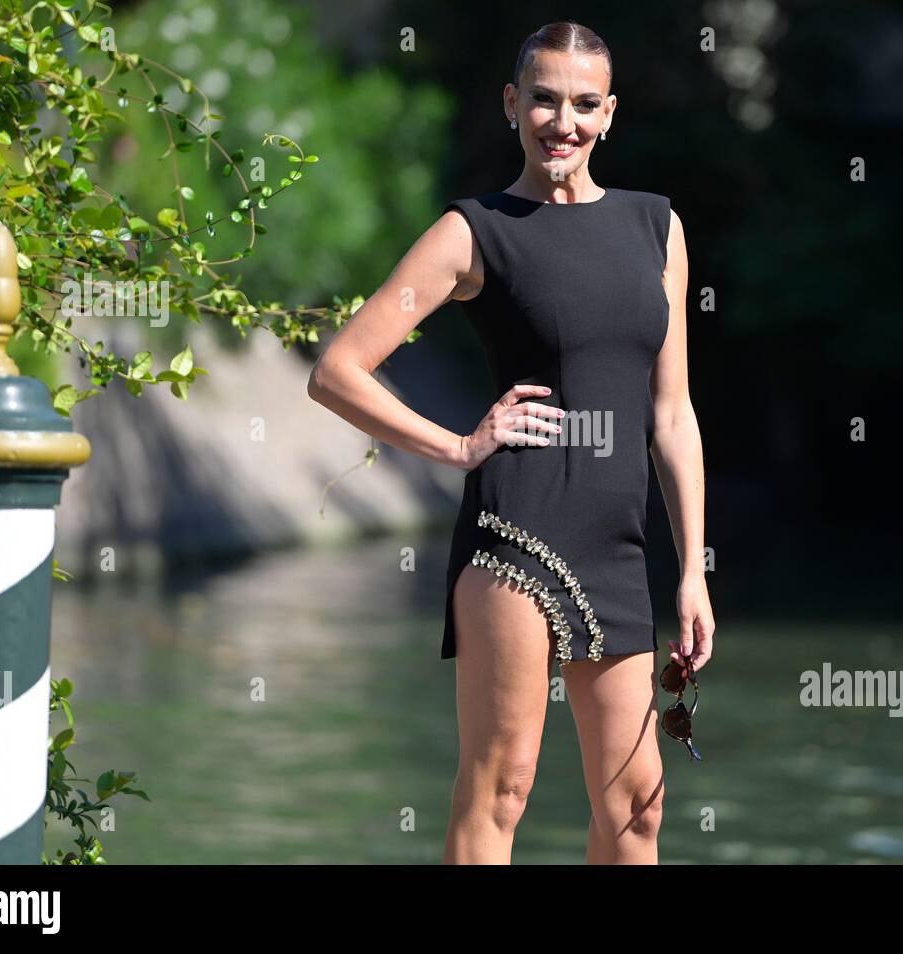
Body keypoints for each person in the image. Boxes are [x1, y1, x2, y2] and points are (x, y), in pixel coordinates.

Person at [307, 20, 713, 864]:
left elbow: (670, 415)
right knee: (504, 787)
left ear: (609, 114)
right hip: (516, 536)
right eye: (544, 100)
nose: (562, 122)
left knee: (637, 810)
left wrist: (691, 572)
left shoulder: (657, 228)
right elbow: (338, 370)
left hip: (620, 543)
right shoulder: (476, 230)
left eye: (583, 104)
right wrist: (458, 445)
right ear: (511, 104)